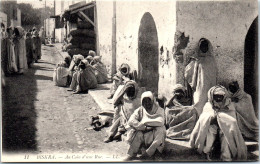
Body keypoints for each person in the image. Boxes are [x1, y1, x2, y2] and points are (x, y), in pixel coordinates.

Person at [189, 85, 247, 161]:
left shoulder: (229, 105)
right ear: (212, 96)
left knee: (226, 136)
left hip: (225, 128)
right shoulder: (208, 105)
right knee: (210, 131)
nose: (219, 98)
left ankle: (226, 157)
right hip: (212, 126)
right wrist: (212, 118)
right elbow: (204, 119)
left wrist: (222, 120)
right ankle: (207, 151)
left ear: (224, 96)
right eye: (216, 96)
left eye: (221, 96)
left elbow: (232, 120)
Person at [125, 91, 166, 161]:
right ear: (141, 102)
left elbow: (161, 122)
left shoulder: (159, 110)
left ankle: (153, 153)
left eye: (149, 101)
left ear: (152, 101)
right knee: (137, 132)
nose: (147, 104)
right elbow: (131, 120)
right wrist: (144, 127)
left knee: (161, 130)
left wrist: (144, 122)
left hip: (154, 134)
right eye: (144, 101)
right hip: (144, 132)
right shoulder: (140, 110)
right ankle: (131, 154)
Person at [185, 38, 217, 116]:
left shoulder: (212, 60)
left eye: (206, 46)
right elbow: (188, 72)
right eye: (202, 46)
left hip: (211, 86)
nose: (204, 48)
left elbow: (215, 74)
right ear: (199, 47)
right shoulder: (196, 60)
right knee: (198, 101)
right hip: (200, 87)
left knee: (210, 102)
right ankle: (197, 120)